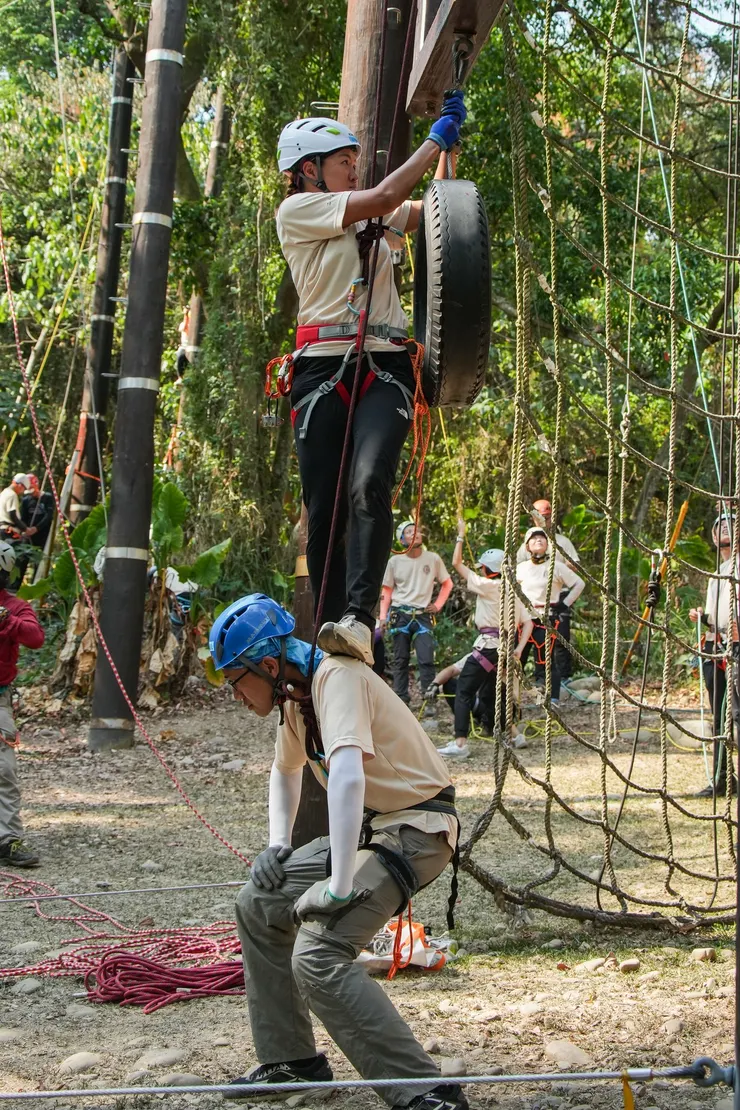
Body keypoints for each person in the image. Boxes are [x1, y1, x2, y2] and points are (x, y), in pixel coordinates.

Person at [208, 594, 467, 1110]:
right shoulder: (296, 698)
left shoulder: (335, 678)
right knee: (258, 902)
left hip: (417, 830)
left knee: (319, 952)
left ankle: (426, 1092)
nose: (233, 694)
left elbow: (346, 775)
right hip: (376, 829)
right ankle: (292, 1063)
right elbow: (285, 771)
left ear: (265, 664)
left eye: (232, 680)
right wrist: (278, 845)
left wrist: (340, 884)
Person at [275, 92, 466, 666]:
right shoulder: (300, 210)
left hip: (383, 364)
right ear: (310, 169)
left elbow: (439, 211)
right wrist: (434, 138)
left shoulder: (371, 209)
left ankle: (358, 619)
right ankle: (333, 629)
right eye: (343, 161)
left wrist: (447, 153)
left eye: (355, 160)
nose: (354, 168)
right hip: (320, 369)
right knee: (325, 509)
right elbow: (385, 196)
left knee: (367, 483)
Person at [435, 519, 532, 759]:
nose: (480, 571)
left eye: (482, 568)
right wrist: (519, 649)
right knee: (494, 693)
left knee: (464, 692)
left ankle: (460, 744)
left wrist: (460, 534)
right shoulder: (514, 589)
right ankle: (515, 734)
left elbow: (456, 563)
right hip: (506, 649)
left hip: (488, 647)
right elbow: (528, 622)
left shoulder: (488, 585)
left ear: (488, 569)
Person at [0, 542, 44, 867]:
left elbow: (35, 637)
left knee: (4, 771)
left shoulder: (14, 608)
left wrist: (6, 622)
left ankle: (8, 841)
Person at [689, 512, 738, 797]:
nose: (723, 529)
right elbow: (716, 616)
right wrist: (704, 619)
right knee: (719, 715)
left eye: (730, 525)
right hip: (716, 646)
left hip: (736, 646)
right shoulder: (717, 574)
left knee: (738, 716)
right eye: (718, 526)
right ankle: (722, 778)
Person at [379, 521, 452, 706]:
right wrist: (382, 617)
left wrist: (438, 605)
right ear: (401, 540)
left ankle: (429, 702)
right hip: (399, 613)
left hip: (423, 614)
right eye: (409, 532)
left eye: (416, 530)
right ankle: (401, 700)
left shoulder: (432, 559)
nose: (415, 533)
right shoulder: (394, 562)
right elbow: (386, 591)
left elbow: (447, 583)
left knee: (426, 659)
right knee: (400, 659)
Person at [516, 527, 585, 707]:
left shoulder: (556, 566)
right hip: (524, 619)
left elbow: (579, 583)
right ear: (527, 547)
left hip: (546, 618)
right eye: (534, 539)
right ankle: (511, 699)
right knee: (518, 659)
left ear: (548, 544)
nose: (538, 540)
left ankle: (553, 699)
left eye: (542, 538)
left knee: (547, 660)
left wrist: (564, 603)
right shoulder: (521, 568)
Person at [517, 499, 580, 682]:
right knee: (526, 639)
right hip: (531, 601)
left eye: (546, 516)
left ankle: (563, 677)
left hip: (557, 594)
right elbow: (519, 566)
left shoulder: (562, 542)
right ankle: (530, 679)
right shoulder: (527, 543)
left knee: (560, 637)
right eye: (540, 516)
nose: (544, 519)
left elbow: (575, 564)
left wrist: (557, 571)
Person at [0, 474, 36, 547]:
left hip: (2, 529)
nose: (22, 492)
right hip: (9, 532)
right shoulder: (12, 495)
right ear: (20, 485)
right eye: (24, 489)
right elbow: (13, 515)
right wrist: (25, 529)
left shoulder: (4, 493)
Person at [20, 474, 54, 551]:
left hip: (43, 534)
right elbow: (23, 516)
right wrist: (24, 529)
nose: (31, 493)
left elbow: (48, 515)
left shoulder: (47, 498)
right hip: (29, 533)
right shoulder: (26, 500)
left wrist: (36, 528)